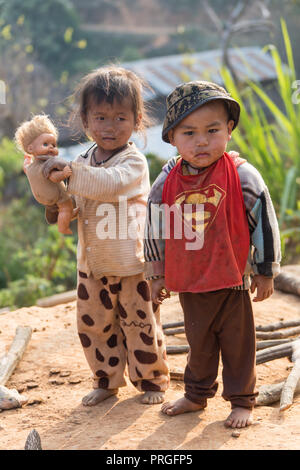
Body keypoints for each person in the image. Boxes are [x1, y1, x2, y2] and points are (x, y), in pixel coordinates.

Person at [144, 81, 281, 428]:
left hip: (234, 282)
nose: (201, 140)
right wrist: (156, 272)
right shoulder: (166, 182)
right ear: (172, 138)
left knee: (238, 345)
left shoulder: (241, 175)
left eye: (212, 130)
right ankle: (195, 394)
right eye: (189, 132)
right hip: (191, 284)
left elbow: (263, 221)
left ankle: (242, 400)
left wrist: (265, 270)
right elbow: (155, 228)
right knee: (198, 342)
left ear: (230, 131)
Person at [44, 66, 169, 406]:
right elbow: (81, 201)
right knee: (95, 326)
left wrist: (69, 175)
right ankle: (106, 380)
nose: (110, 127)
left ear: (137, 119)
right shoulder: (84, 159)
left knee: (139, 323)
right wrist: (58, 205)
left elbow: (109, 185)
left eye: (120, 118)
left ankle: (152, 381)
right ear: (85, 120)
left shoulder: (134, 162)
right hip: (92, 265)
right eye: (100, 118)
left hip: (132, 264)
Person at [14, 115, 77, 235]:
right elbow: (53, 177)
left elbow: (26, 168)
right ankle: (63, 227)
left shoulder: (30, 167)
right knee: (65, 206)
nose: (51, 148)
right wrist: (63, 173)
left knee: (65, 207)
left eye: (54, 145)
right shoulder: (47, 164)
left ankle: (68, 213)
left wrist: (27, 160)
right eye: (45, 144)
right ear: (31, 148)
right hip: (55, 195)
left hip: (41, 198)